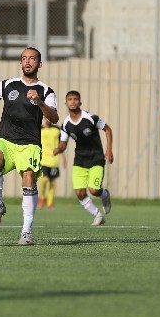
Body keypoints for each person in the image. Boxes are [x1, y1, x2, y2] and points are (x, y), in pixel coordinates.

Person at [0, 47, 59, 246]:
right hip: (6, 139)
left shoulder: (46, 91)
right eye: (24, 58)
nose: (27, 62)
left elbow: (54, 117)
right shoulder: (7, 84)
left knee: (29, 178)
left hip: (29, 143)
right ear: (20, 62)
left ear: (39, 64)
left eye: (32, 59)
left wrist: (39, 102)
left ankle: (26, 232)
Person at [53, 91, 114, 225]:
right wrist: (59, 149)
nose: (73, 101)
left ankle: (105, 195)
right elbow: (63, 144)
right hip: (80, 161)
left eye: (75, 99)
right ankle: (98, 215)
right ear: (66, 103)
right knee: (80, 193)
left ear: (80, 102)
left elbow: (108, 129)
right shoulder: (66, 124)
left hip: (96, 158)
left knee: (94, 190)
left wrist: (109, 150)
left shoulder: (90, 118)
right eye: (70, 99)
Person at [37, 117, 64, 210]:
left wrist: (63, 158)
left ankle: (50, 203)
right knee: (44, 179)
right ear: (44, 118)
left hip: (54, 160)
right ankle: (42, 198)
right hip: (43, 159)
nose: (48, 120)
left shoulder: (57, 129)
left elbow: (61, 145)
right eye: (46, 118)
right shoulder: (40, 129)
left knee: (52, 182)